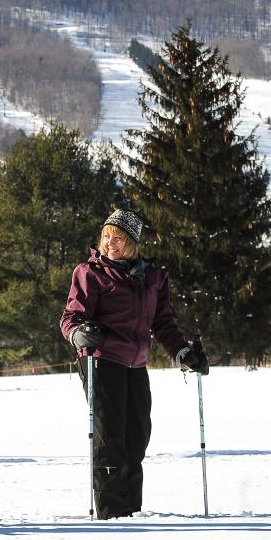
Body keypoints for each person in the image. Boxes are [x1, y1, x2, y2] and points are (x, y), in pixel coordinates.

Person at [60, 208, 208, 519]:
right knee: (109, 440)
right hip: (101, 362)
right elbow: (71, 318)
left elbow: (163, 322)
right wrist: (79, 335)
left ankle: (132, 511)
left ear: (133, 243)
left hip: (136, 366)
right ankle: (112, 515)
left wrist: (183, 353)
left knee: (136, 438)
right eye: (106, 236)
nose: (110, 243)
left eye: (119, 238)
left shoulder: (153, 277)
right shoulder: (90, 273)